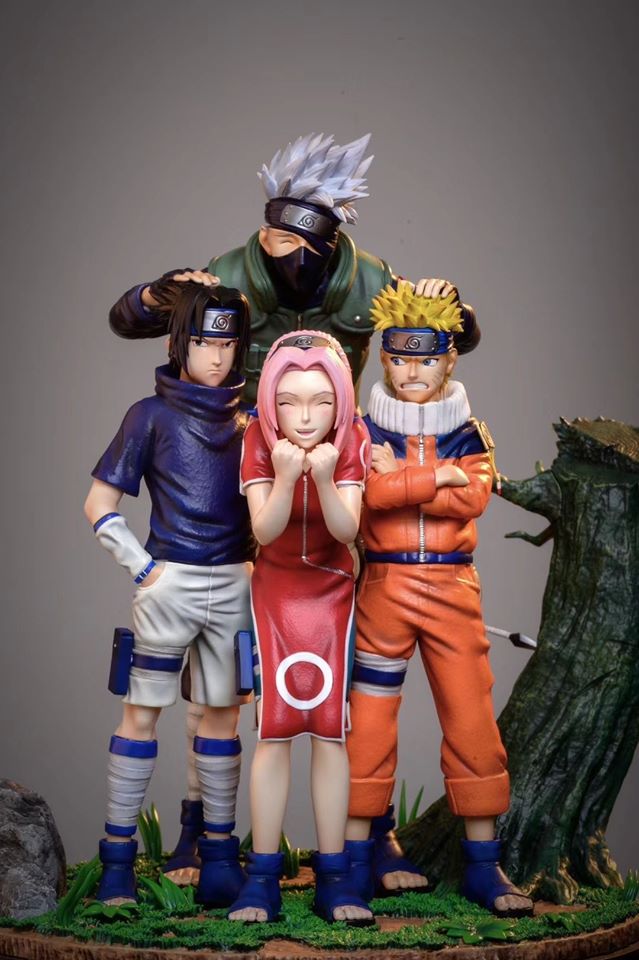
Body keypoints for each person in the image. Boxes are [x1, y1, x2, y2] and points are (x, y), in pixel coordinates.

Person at [107, 133, 478, 891]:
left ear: (332, 237)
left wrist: (451, 307)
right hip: (243, 468)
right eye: (280, 237)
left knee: (356, 673)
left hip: (344, 473)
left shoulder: (372, 280)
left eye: (307, 240)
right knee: (224, 670)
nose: (291, 254)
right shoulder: (229, 276)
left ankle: (369, 832)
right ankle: (201, 831)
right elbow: (130, 319)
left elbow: (448, 337)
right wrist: (159, 294)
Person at [344, 282, 534, 917]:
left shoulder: (467, 433)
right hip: (384, 588)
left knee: (470, 715)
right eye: (400, 358)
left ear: (450, 359)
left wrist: (400, 476)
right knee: (369, 721)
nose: (412, 371)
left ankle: (484, 863)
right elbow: (368, 496)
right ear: (384, 357)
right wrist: (433, 478)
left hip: (452, 588)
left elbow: (471, 498)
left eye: (427, 358)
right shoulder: (364, 427)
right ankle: (362, 852)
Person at [84, 281, 255, 908]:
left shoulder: (252, 419)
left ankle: (219, 858)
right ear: (177, 344)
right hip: (170, 584)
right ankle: (117, 863)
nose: (217, 356)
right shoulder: (149, 416)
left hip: (235, 583)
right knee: (141, 714)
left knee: (224, 718)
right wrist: (143, 569)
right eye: (205, 342)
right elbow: (99, 504)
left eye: (228, 344)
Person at [229, 331, 372, 924]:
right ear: (271, 402)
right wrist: (288, 478)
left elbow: (345, 529)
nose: (305, 416)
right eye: (289, 402)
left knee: (331, 732)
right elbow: (264, 530)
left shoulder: (353, 438)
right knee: (274, 730)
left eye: (321, 401)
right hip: (276, 593)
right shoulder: (257, 440)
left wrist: (329, 474)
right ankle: (262, 876)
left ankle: (333, 876)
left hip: (333, 593)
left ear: (341, 401)